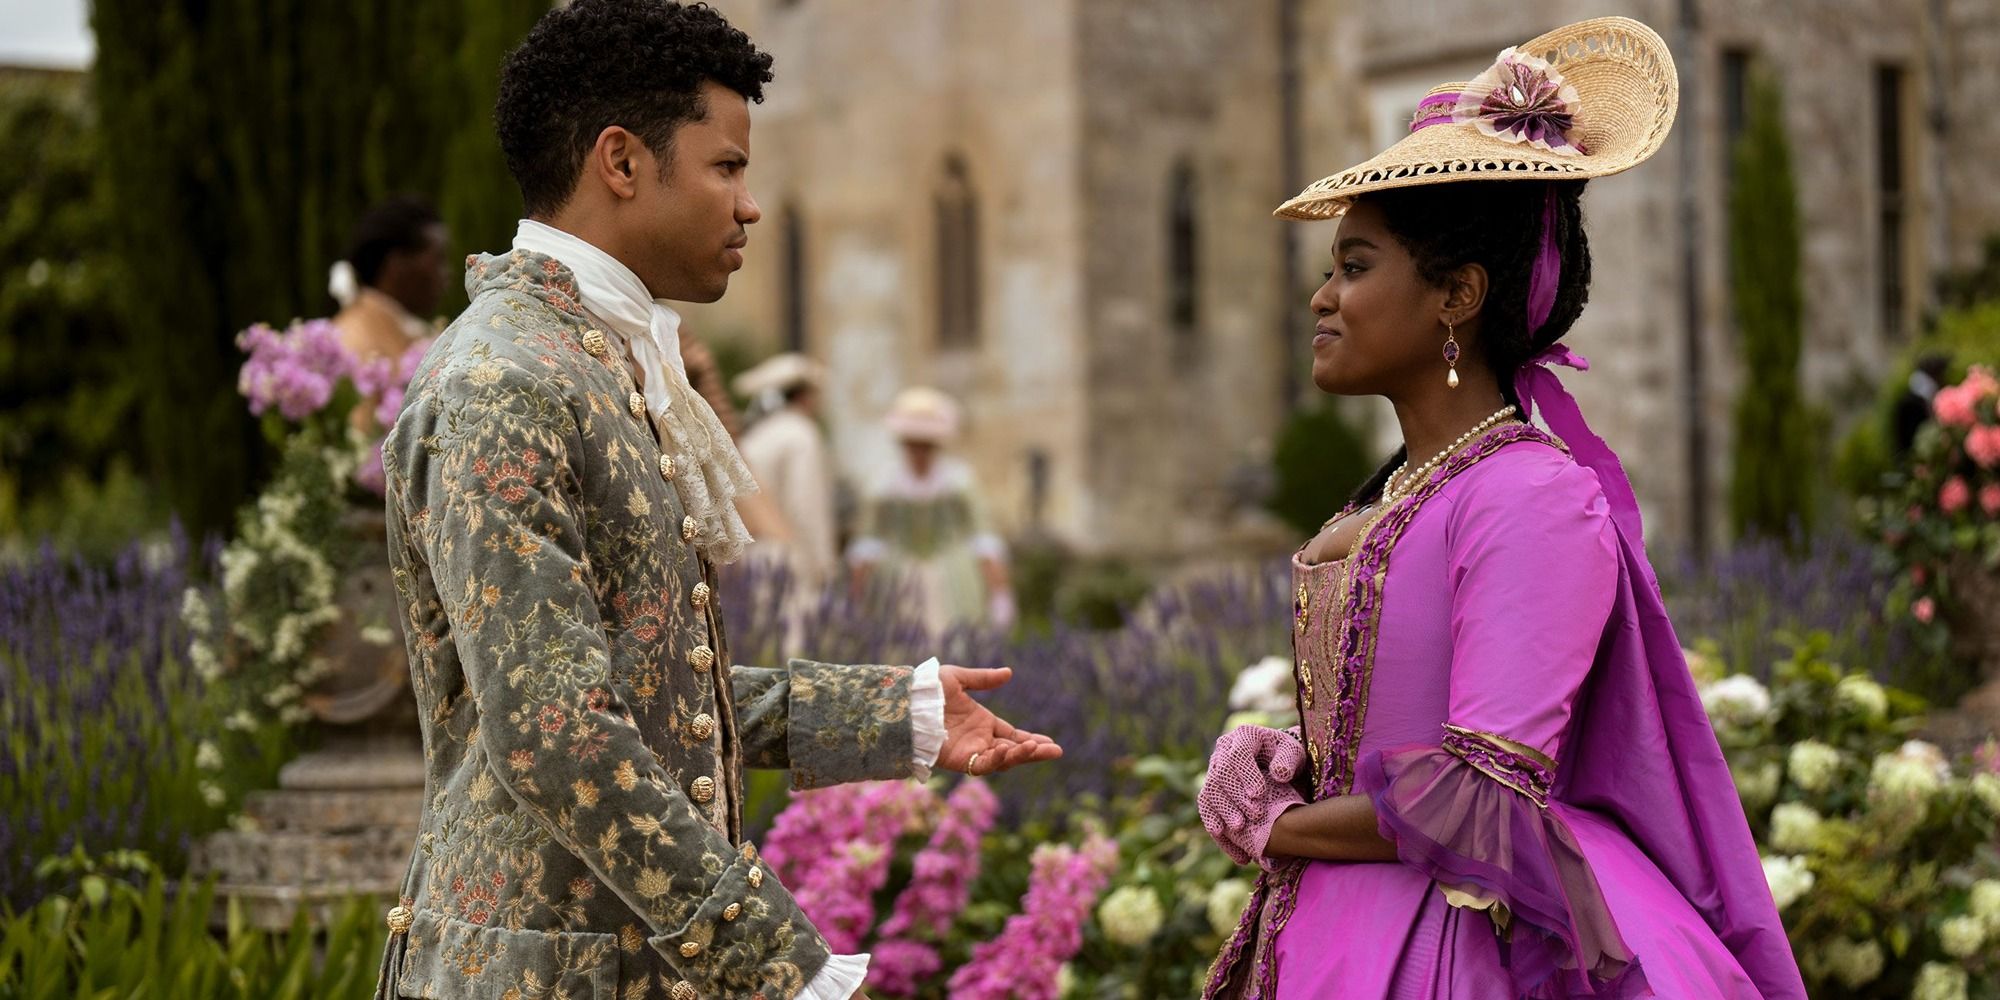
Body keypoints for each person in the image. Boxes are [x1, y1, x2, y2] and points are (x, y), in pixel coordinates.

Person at [372, 5, 1059, 999]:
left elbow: (644, 694)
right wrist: (782, 966)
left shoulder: (600, 362)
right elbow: (555, 728)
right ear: (621, 162)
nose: (749, 206)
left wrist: (893, 711)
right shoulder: (504, 380)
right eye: (726, 167)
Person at [1197, 18, 1806, 999]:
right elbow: (1391, 713)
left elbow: (1481, 790)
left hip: (1455, 951)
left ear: (1456, 295)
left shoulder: (1529, 493)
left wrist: (1274, 824)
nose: (1319, 297)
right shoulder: (1400, 488)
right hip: (1335, 933)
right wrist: (1282, 759)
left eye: (1353, 266)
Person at [848, 387, 1016, 635]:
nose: (919, 453)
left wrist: (1000, 593)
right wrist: (857, 599)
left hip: (956, 580)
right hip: (898, 581)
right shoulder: (883, 485)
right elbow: (868, 544)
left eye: (926, 445)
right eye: (913, 445)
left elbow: (983, 539)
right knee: (901, 646)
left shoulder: (959, 482)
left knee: (955, 642)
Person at [736, 353, 840, 596]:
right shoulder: (801, 434)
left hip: (749, 561)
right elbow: (804, 507)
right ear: (803, 396)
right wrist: (823, 566)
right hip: (789, 561)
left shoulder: (755, 436)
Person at [329, 196, 448, 364]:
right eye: (438, 260)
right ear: (397, 264)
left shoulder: (402, 332)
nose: (447, 272)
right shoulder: (353, 344)